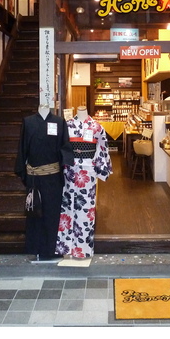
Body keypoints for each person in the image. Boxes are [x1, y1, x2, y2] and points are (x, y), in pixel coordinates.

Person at [15, 104, 73, 261]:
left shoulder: (59, 122)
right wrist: (23, 172)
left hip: (53, 176)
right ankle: (35, 249)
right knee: (35, 212)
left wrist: (64, 167)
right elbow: (22, 148)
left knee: (52, 213)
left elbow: (65, 147)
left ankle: (51, 249)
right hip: (34, 177)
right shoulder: (28, 122)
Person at [56, 106, 112, 259]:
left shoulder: (96, 126)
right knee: (67, 206)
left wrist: (100, 168)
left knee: (86, 207)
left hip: (88, 171)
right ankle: (65, 246)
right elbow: (59, 148)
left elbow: (102, 148)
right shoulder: (67, 125)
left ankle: (83, 248)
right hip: (69, 169)